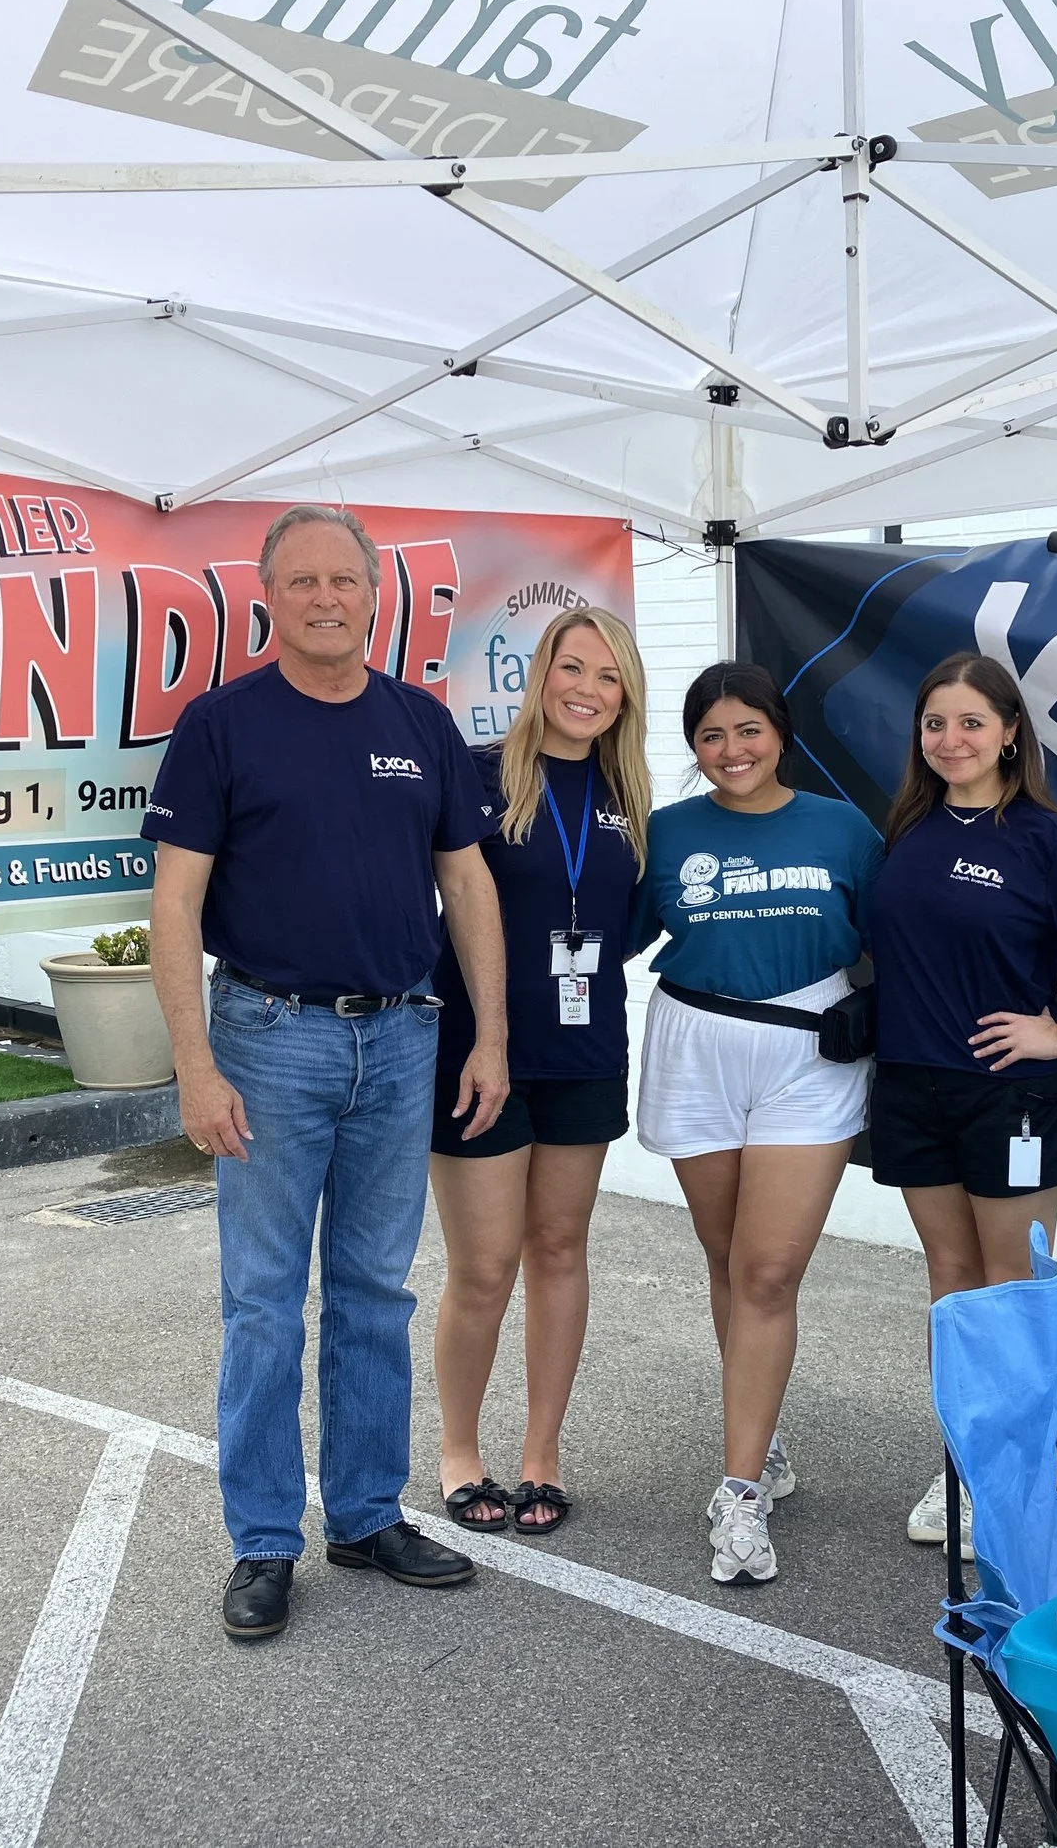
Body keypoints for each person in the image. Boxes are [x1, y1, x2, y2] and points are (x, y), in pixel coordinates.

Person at [145, 503, 511, 1644]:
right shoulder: (221, 726)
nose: (323, 599)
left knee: (373, 1291)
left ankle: (364, 1513)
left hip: (401, 1037)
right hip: (268, 1037)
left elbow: (468, 884)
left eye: (342, 580)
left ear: (372, 594)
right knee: (263, 1303)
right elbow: (174, 902)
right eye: (300, 581)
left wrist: (491, 1036)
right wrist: (194, 1067)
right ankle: (263, 1539)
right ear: (268, 598)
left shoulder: (420, 722)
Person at [866, 651, 1057, 1547]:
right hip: (913, 1086)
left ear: (1008, 734)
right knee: (952, 1286)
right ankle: (964, 1465)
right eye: (935, 723)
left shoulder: (1044, 836)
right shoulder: (909, 828)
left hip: (1011, 1098)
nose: (950, 738)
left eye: (970, 722)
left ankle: (1015, 1477)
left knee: (1011, 1288)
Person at [632, 662, 884, 1585]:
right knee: (727, 1259)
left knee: (769, 1269)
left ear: (780, 735)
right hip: (695, 1042)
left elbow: (905, 929)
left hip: (808, 1052)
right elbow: (600, 928)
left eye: (749, 730)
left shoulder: (841, 828)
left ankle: (737, 1493)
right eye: (712, 735)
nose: (732, 750)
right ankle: (763, 1439)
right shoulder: (667, 832)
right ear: (694, 748)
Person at [430, 606, 651, 1537]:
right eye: (572, 667)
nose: (587, 689)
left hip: (585, 1054)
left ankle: (542, 1455)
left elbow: (629, 920)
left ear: (626, 694)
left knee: (559, 1249)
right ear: (539, 673)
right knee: (484, 1265)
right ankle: (459, 1449)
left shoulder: (628, 792)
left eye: (608, 675)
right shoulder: (479, 775)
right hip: (478, 1054)